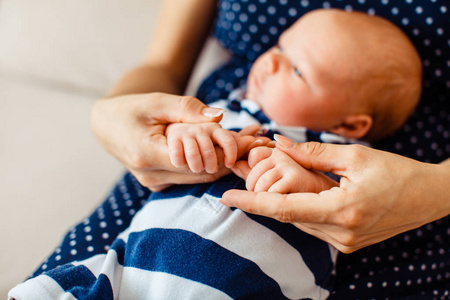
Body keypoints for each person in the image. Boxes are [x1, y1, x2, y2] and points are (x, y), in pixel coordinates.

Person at [22, 1, 450, 299]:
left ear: (349, 124)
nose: (269, 62)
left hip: (241, 284)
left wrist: (299, 182)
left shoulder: (344, 152)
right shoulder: (218, 113)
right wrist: (174, 135)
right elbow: (163, 64)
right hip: (133, 260)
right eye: (280, 48)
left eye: (298, 70)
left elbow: (329, 195)